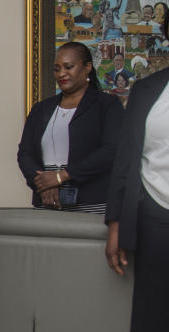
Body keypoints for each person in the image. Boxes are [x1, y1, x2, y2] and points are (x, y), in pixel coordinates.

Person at [105, 15, 169, 332]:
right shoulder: (148, 91)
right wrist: (117, 226)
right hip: (156, 220)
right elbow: (128, 162)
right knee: (162, 330)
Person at [18, 42, 123, 214]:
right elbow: (25, 153)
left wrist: (61, 176)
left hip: (92, 203)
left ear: (87, 67)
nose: (61, 74)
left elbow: (112, 150)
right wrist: (43, 184)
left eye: (68, 67)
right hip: (46, 201)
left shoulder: (107, 105)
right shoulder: (40, 109)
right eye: (57, 69)